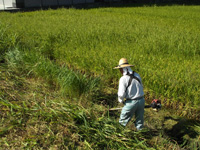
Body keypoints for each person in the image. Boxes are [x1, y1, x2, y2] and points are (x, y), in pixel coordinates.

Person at [114, 58, 145, 130]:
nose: (120, 71)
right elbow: (141, 86)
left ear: (122, 69)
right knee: (139, 120)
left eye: (120, 69)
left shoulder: (123, 79)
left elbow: (121, 94)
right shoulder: (137, 75)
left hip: (131, 102)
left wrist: (121, 101)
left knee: (123, 121)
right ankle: (140, 134)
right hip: (141, 101)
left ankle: (119, 135)